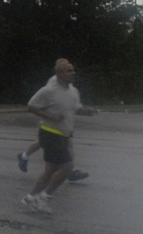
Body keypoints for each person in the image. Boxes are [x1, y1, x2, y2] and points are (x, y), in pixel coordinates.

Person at [21, 58, 98, 214]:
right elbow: (31, 106)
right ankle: (44, 197)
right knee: (67, 168)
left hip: (64, 134)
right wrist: (50, 115)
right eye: (69, 70)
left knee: (50, 170)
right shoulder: (48, 90)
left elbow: (75, 108)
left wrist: (86, 111)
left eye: (73, 70)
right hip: (50, 134)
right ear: (59, 74)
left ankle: (30, 197)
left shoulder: (73, 91)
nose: (73, 72)